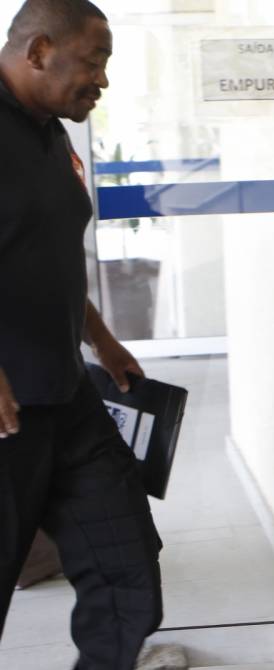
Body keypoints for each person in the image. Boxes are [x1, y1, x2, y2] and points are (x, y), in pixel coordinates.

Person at [0, 1, 164, 668]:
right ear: (39, 51)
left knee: (126, 564)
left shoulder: (47, 129)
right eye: (93, 61)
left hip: (65, 395)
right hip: (7, 412)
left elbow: (46, 249)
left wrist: (100, 337)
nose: (102, 79)